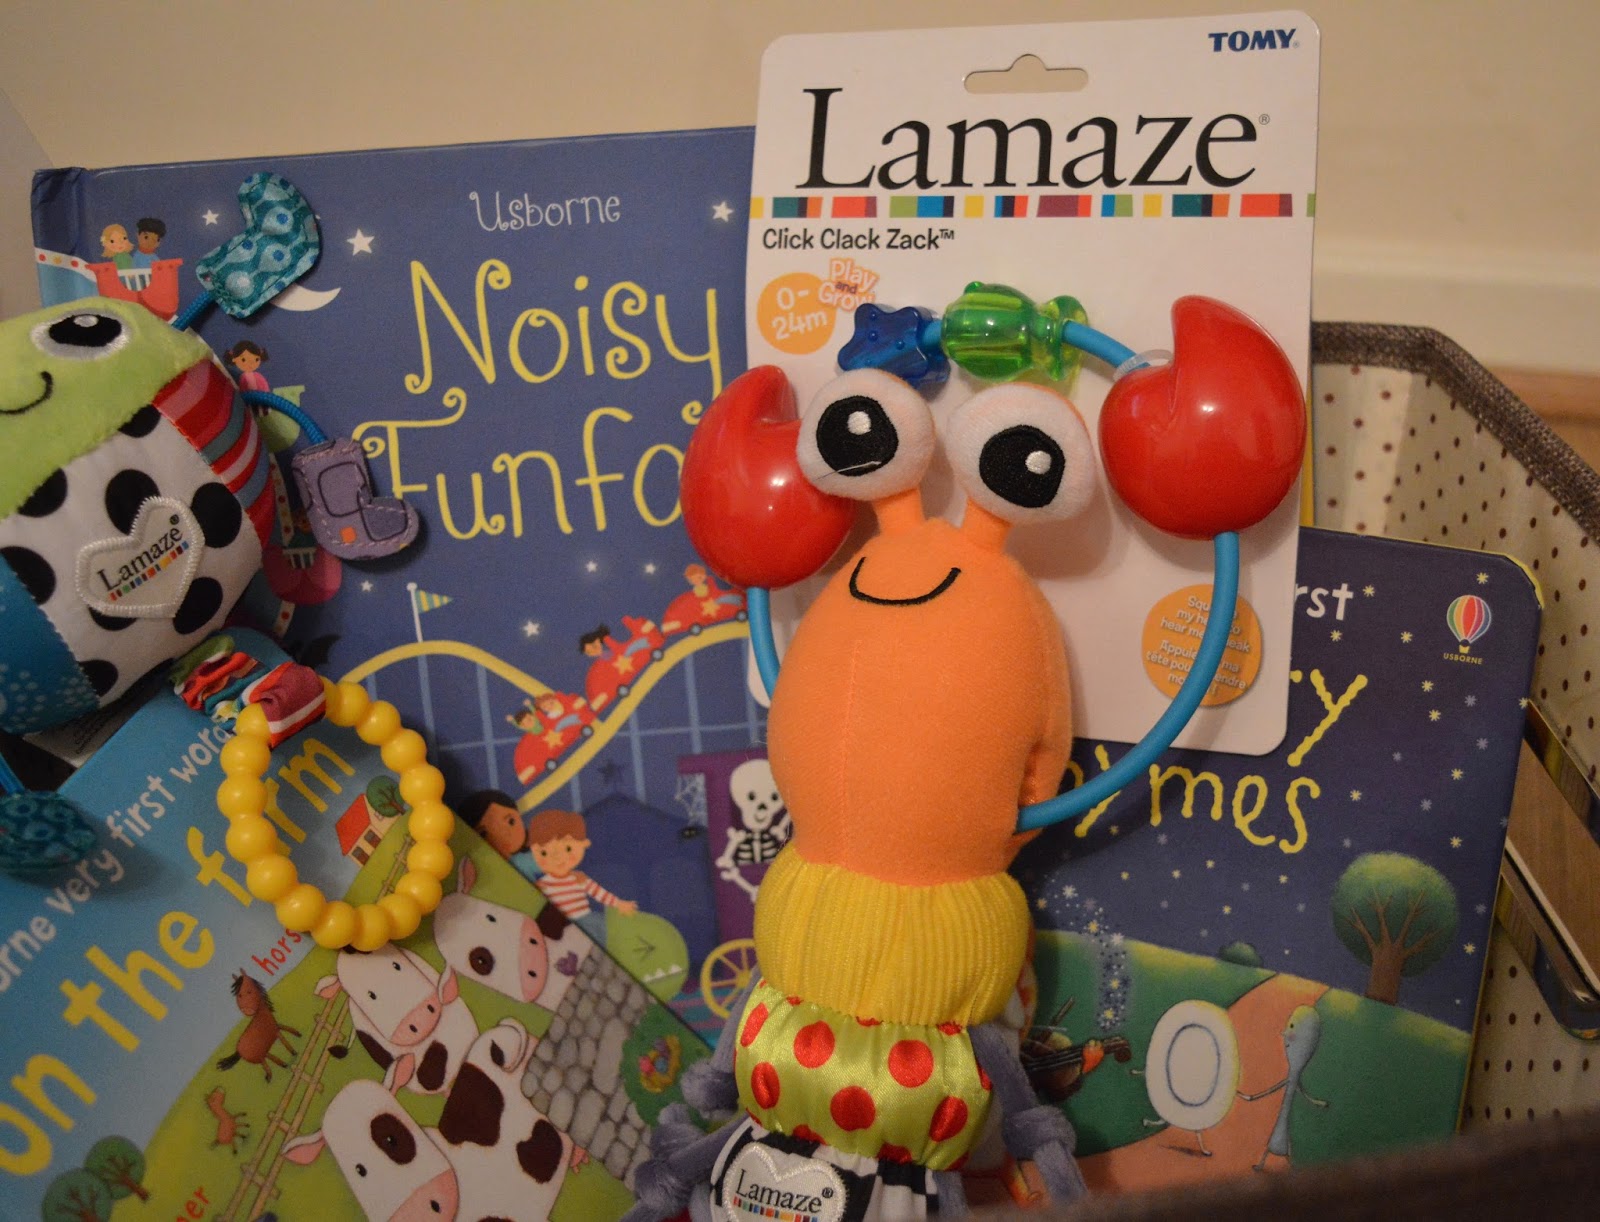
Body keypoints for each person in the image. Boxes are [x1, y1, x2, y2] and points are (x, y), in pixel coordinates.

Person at [526, 808, 636, 942]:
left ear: (583, 843)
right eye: (544, 853)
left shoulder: (579, 878)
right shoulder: (542, 885)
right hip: (563, 928)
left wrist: (619, 904)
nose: (557, 858)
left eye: (567, 849)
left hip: (587, 921)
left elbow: (599, 893)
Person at [459, 789, 539, 883]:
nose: (505, 833)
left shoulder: (535, 856)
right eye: (483, 834)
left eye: (511, 822)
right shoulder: (489, 871)